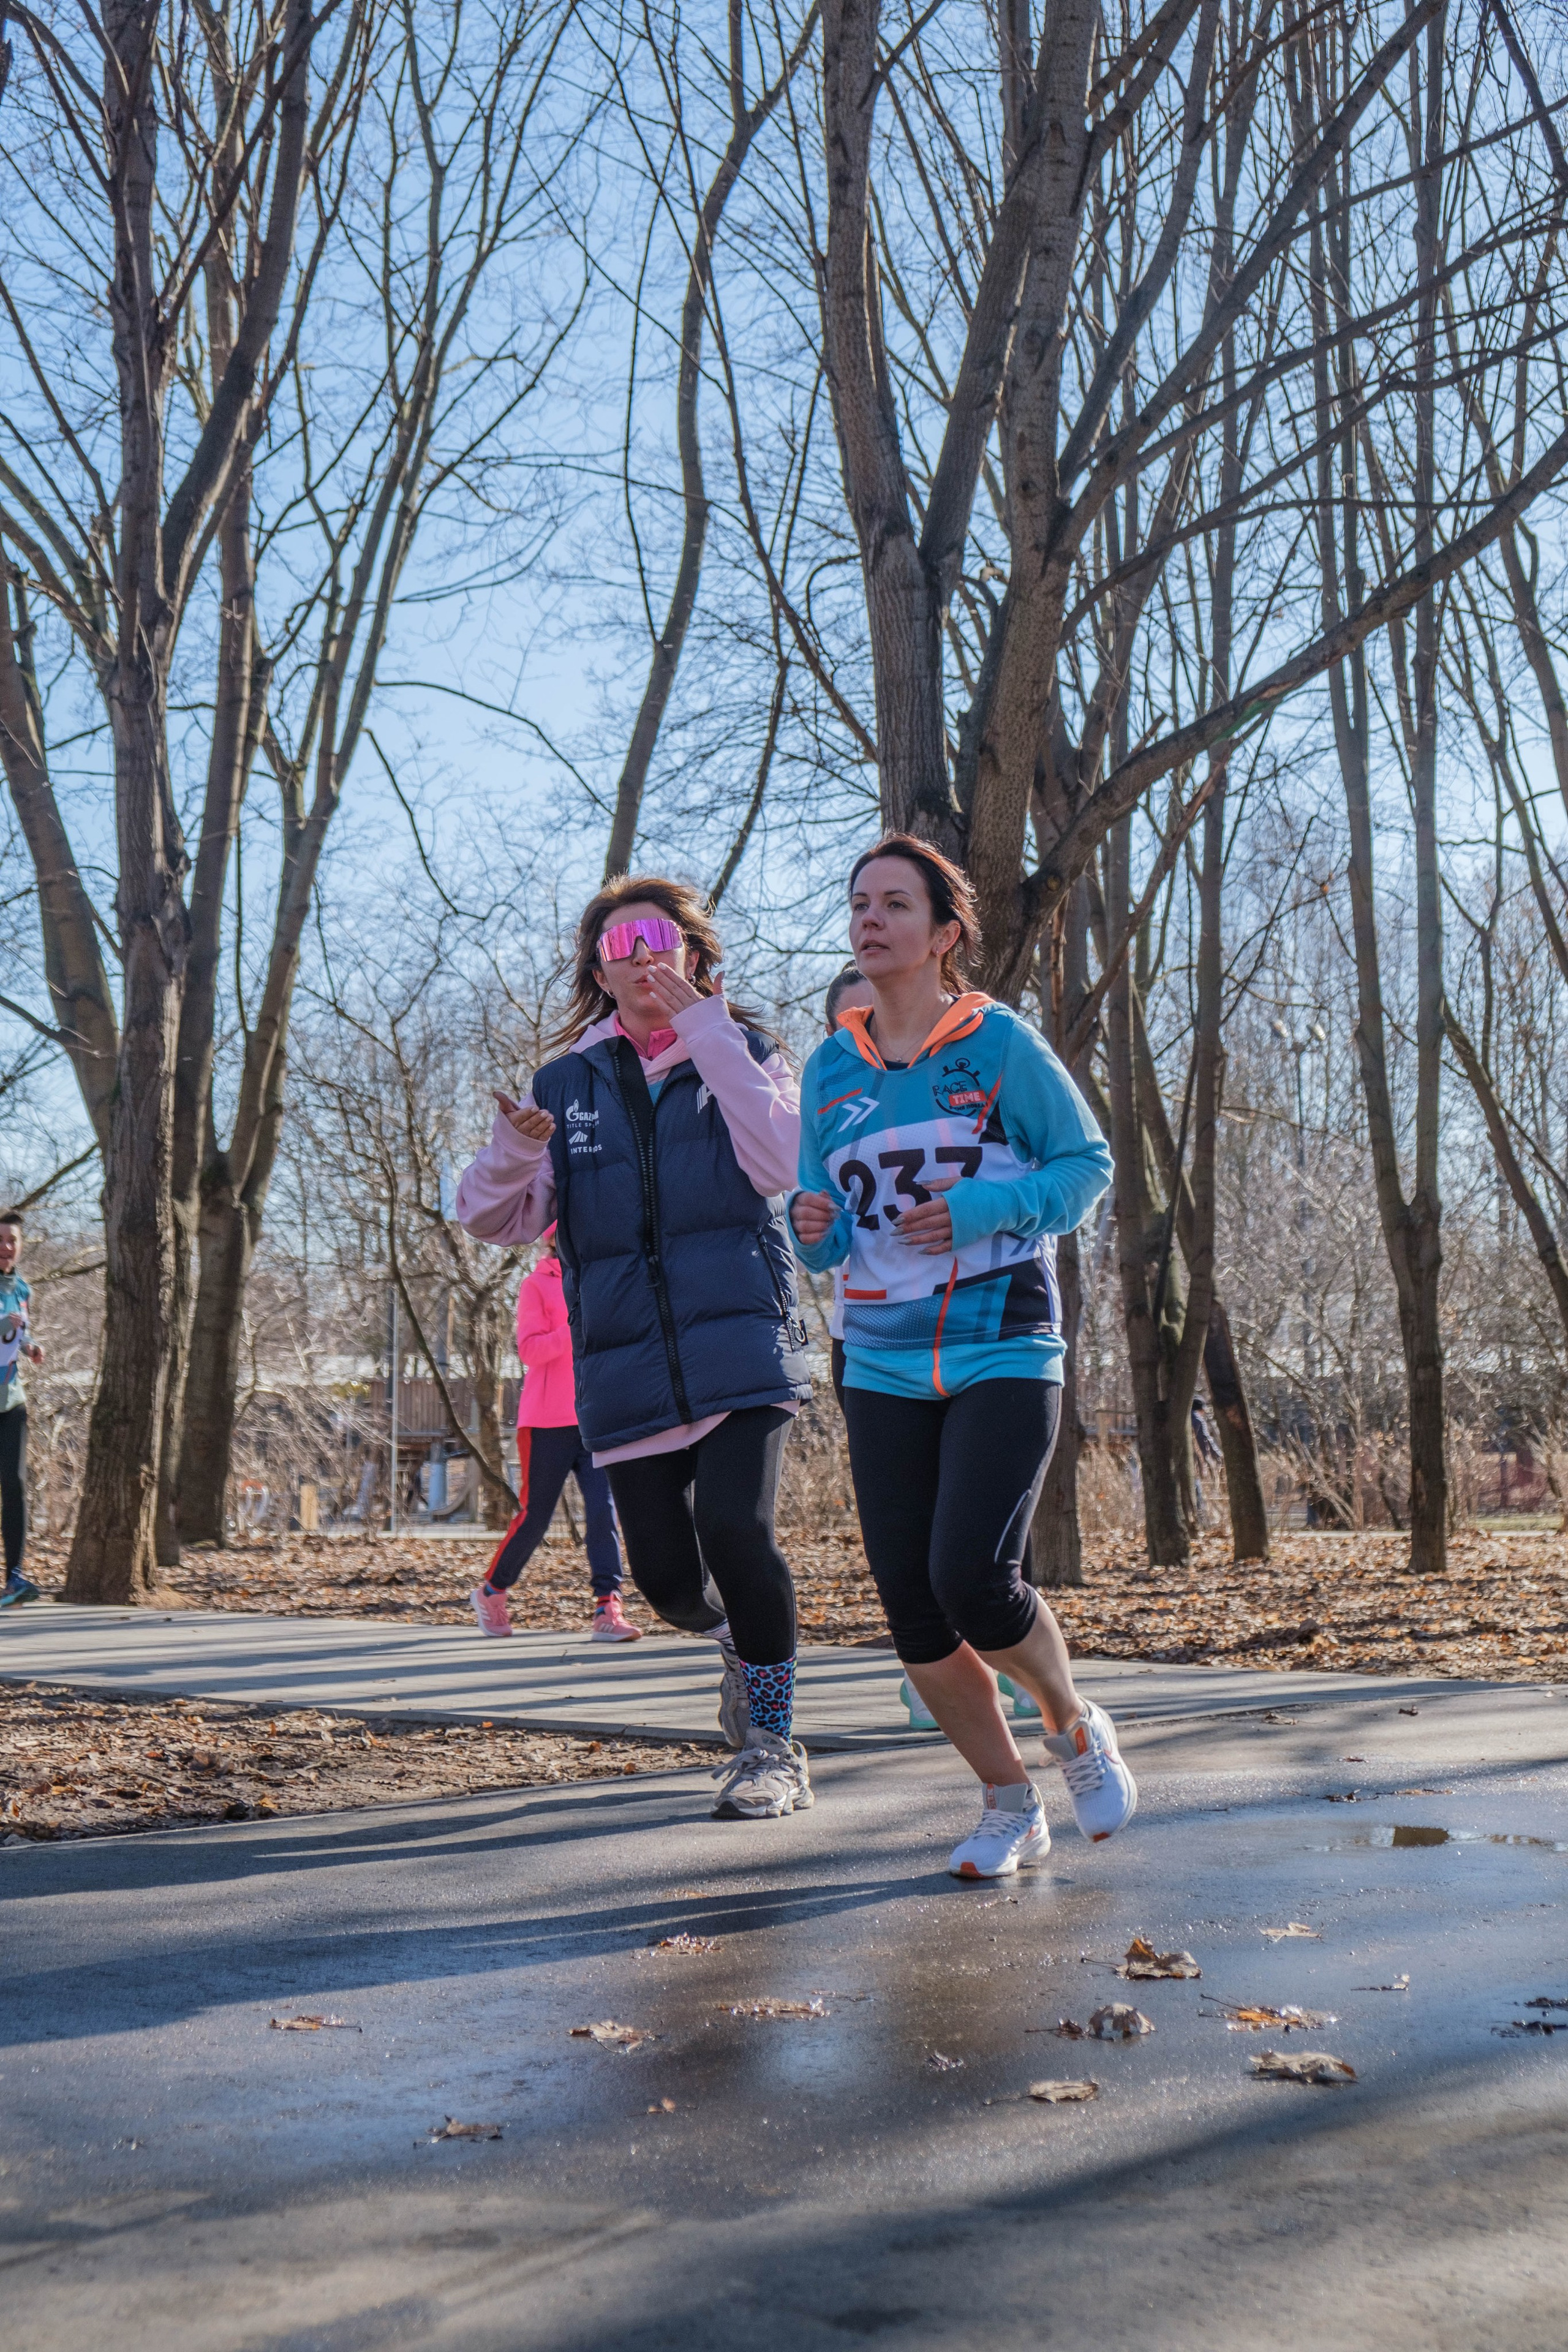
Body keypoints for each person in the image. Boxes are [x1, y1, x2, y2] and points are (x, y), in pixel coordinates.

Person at [791, 835, 1133, 1880]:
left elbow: (1086, 1169)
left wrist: (987, 1205)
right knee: (912, 1605)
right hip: (881, 1358)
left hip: (1001, 1343)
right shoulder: (831, 1066)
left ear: (946, 935)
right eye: (859, 903)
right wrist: (812, 1228)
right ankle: (1005, 1802)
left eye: (895, 903)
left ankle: (1074, 1727)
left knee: (974, 1577)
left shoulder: (999, 1045)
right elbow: (827, 1230)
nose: (870, 918)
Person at [456, 877, 813, 1820]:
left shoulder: (750, 1053)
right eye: (620, 946)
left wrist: (710, 1034)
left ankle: (773, 1743)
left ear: (697, 952)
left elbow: (782, 1162)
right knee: (665, 1581)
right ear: (598, 974)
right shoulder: (562, 1083)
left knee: (739, 1527)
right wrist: (516, 1151)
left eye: (659, 936)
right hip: (622, 1365)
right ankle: (736, 1635)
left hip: (742, 1343)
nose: (642, 956)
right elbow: (493, 1218)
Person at [469, 1227, 639, 1642]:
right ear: (553, 1244)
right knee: (536, 1516)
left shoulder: (601, 1282)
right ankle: (492, 1593)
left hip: (596, 1417)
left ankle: (607, 1607)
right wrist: (574, 1328)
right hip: (546, 1422)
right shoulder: (535, 1286)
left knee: (603, 1510)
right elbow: (529, 1349)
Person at [0, 1207, 43, 1608]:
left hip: (11, 1400)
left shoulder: (23, 1290)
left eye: (12, 1240)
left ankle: (14, 1577)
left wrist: (31, 1348)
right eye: (0, 1240)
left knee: (14, 1484)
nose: (6, 1247)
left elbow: (17, 1336)